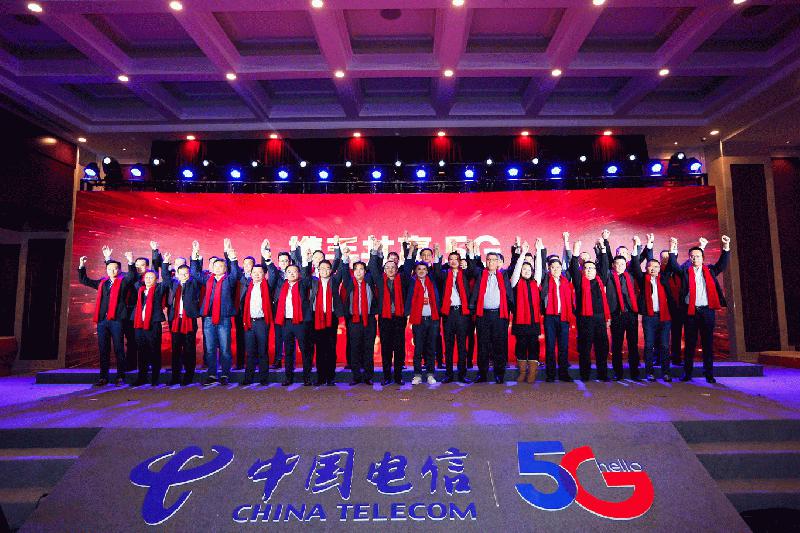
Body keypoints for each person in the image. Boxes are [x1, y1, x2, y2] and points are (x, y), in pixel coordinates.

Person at [669, 235, 731, 383]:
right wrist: (672, 247)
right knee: (690, 344)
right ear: (689, 258)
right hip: (690, 312)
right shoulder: (685, 271)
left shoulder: (710, 270)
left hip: (707, 311)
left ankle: (709, 374)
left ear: (703, 258)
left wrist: (726, 246)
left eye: (697, 256)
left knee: (707, 343)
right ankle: (687, 373)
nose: (694, 258)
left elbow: (722, 264)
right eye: (692, 256)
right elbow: (673, 265)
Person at [78, 246, 137, 386]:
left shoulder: (123, 282)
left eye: (115, 269)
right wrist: (81, 265)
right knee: (103, 349)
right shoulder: (102, 282)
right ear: (106, 270)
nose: (112, 271)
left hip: (117, 320)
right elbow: (84, 280)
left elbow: (132, 276)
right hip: (102, 321)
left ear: (119, 270)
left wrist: (130, 261)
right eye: (109, 269)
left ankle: (121, 376)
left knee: (118, 348)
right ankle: (103, 377)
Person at [191, 240, 240, 385]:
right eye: (215, 266)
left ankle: (225, 374)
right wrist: (195, 255)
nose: (218, 268)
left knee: (225, 348)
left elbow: (235, 272)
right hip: (208, 318)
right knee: (210, 349)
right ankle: (212, 375)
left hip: (224, 318)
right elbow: (194, 272)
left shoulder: (229, 280)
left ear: (225, 268)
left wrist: (232, 258)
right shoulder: (207, 279)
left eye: (221, 266)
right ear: (212, 268)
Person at [368, 238, 413, 386]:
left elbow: (408, 266)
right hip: (385, 318)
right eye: (387, 267)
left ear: (397, 269)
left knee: (399, 348)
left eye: (393, 267)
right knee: (386, 348)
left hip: (399, 318)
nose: (390, 269)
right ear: (384, 269)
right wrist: (375, 250)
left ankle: (398, 377)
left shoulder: (403, 279)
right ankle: (387, 376)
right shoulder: (380, 280)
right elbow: (372, 267)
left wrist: (410, 250)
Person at [602, 230, 645, 381]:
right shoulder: (608, 275)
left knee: (633, 344)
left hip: (631, 314)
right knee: (617, 345)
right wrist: (605, 243)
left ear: (625, 264)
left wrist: (637, 246)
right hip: (616, 315)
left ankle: (635, 373)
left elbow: (637, 261)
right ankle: (618, 373)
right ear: (613, 265)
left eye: (622, 264)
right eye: (617, 264)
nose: (620, 266)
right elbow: (606, 259)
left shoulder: (631, 274)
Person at [468, 249, 514, 384]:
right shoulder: (480, 274)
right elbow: (472, 267)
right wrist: (471, 252)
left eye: (494, 260)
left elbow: (509, 294)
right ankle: (482, 373)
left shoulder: (503, 274)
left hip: (499, 315)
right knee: (483, 345)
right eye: (488, 260)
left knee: (499, 345)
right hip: (483, 315)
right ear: (486, 262)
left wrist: (518, 251)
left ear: (498, 262)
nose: (491, 262)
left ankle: (499, 374)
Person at [570, 239, 611, 381]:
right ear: (583, 270)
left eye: (591, 268)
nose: (589, 270)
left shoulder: (600, 280)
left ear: (595, 271)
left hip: (600, 319)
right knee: (585, 348)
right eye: (586, 268)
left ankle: (603, 374)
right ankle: (585, 375)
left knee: (602, 348)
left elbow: (605, 266)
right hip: (585, 320)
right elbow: (574, 268)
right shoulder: (579, 282)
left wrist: (603, 249)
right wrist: (576, 251)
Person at [431, 244, 473, 384]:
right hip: (448, 313)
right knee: (448, 345)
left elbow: (473, 268)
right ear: (448, 261)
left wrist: (470, 251)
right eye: (451, 259)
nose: (454, 261)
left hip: (462, 313)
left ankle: (462, 374)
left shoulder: (465, 273)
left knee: (462, 345)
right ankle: (448, 374)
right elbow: (436, 272)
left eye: (456, 259)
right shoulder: (444, 274)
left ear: (460, 261)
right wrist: (437, 254)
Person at [637, 237, 676, 382]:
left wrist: (672, 247)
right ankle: (650, 372)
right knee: (649, 345)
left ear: (660, 268)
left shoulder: (664, 278)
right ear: (646, 268)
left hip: (664, 318)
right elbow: (635, 265)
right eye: (650, 266)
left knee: (665, 346)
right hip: (649, 317)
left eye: (656, 266)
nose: (653, 268)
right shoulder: (643, 279)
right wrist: (648, 245)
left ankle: (666, 372)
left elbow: (672, 264)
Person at [309, 243, 347, 386]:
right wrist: (307, 260)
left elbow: (341, 269)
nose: (324, 270)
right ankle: (321, 377)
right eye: (322, 268)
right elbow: (305, 273)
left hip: (331, 317)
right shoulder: (313, 282)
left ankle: (330, 377)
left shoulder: (334, 281)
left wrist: (345, 256)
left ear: (331, 270)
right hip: (317, 317)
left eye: (327, 268)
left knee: (331, 348)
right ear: (317, 270)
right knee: (319, 348)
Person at [342, 244, 380, 385]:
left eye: (361, 269)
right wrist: (345, 257)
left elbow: (374, 267)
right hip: (354, 320)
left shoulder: (370, 281)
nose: (359, 272)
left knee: (368, 349)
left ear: (365, 271)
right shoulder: (349, 283)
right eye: (356, 269)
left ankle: (368, 376)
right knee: (355, 349)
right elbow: (344, 271)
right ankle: (356, 376)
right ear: (353, 272)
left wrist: (374, 251)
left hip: (369, 320)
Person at [270, 259, 313, 386]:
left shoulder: (302, 284)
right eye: (289, 272)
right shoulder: (282, 285)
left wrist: (307, 261)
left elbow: (306, 274)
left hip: (300, 322)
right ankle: (288, 377)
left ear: (299, 274)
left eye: (294, 271)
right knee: (288, 351)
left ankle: (307, 377)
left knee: (305, 350)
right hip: (286, 323)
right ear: (285, 274)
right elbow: (273, 273)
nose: (292, 274)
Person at [539, 235, 575, 382]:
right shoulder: (545, 279)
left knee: (563, 347)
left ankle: (564, 373)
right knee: (550, 346)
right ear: (549, 268)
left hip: (564, 317)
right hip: (550, 317)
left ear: (561, 268)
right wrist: (541, 249)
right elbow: (540, 266)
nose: (556, 269)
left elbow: (569, 261)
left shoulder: (565, 279)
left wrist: (566, 243)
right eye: (553, 267)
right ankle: (550, 374)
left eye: (558, 267)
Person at [162, 254, 203, 386]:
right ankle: (175, 377)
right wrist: (165, 262)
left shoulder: (193, 283)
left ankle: (188, 376)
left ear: (189, 274)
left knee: (189, 349)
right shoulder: (174, 284)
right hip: (175, 320)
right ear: (177, 274)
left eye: (186, 273)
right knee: (176, 350)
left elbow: (196, 273)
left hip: (189, 320)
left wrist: (195, 257)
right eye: (181, 273)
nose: (184, 275)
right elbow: (165, 276)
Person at [509, 240, 544, 383]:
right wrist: (523, 253)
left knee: (534, 346)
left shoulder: (536, 282)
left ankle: (532, 373)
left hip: (533, 321)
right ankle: (522, 372)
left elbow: (539, 268)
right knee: (521, 346)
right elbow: (517, 268)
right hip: (520, 321)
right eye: (524, 269)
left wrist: (538, 251)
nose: (526, 271)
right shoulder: (515, 282)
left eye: (529, 269)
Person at [130, 266, 171, 386]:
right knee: (141, 351)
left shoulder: (159, 289)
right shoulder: (140, 289)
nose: (148, 279)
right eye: (146, 277)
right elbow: (133, 278)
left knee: (154, 350)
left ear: (156, 280)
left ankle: (155, 378)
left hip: (153, 324)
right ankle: (141, 377)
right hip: (139, 323)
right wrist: (131, 263)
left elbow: (166, 280)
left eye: (151, 277)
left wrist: (165, 263)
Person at [405, 251, 441, 385]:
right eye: (419, 269)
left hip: (432, 319)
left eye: (424, 269)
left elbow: (437, 269)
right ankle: (417, 375)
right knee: (418, 349)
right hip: (418, 320)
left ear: (427, 271)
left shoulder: (432, 281)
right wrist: (410, 252)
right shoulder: (412, 282)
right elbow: (407, 269)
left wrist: (437, 253)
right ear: (415, 271)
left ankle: (430, 374)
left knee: (431, 348)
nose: (421, 271)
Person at [240, 264, 274, 385]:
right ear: (251, 274)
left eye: (260, 272)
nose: (257, 274)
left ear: (264, 274)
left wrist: (268, 259)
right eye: (254, 272)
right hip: (249, 322)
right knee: (250, 352)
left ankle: (263, 378)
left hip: (261, 322)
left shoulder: (267, 285)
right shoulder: (247, 285)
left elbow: (273, 274)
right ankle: (248, 378)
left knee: (262, 351)